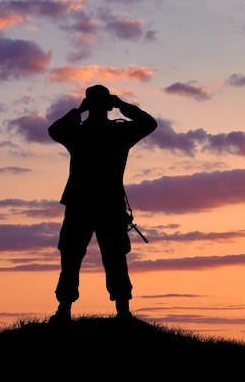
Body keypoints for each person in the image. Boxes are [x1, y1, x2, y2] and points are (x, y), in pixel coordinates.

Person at [48, 85, 157, 321]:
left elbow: (55, 130)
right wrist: (121, 105)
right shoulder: (118, 133)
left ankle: (66, 309)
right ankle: (121, 310)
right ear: (108, 105)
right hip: (105, 203)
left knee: (76, 256)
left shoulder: (78, 132)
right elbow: (149, 123)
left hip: (85, 203)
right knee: (106, 256)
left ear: (89, 105)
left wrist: (78, 111)